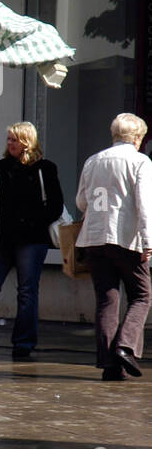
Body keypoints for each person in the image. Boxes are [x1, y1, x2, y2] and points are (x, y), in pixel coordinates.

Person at [75, 113, 152, 381]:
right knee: (142, 296)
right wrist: (148, 241)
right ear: (137, 137)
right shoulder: (141, 161)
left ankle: (109, 363)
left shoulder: (93, 160)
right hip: (126, 237)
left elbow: (81, 201)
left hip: (95, 237)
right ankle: (126, 346)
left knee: (107, 300)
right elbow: (145, 204)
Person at [0, 121, 63, 361]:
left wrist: (33, 222)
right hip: (4, 239)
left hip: (31, 239)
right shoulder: (1, 167)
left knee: (27, 290)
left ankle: (24, 343)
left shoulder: (44, 168)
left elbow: (55, 205)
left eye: (14, 140)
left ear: (26, 142)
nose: (9, 144)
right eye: (8, 139)